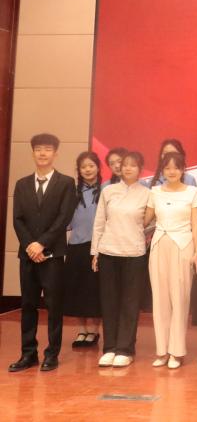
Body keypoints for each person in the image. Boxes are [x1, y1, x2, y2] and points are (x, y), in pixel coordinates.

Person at [9, 133, 76, 373]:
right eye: (38, 149)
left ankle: (51, 354)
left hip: (52, 255)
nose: (43, 153)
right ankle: (28, 354)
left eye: (47, 149)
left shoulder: (66, 183)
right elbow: (18, 219)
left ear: (55, 153)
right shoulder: (22, 184)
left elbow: (64, 217)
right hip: (27, 255)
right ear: (33, 153)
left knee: (53, 305)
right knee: (28, 304)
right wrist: (31, 245)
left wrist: (42, 244)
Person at [90, 151, 150, 368]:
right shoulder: (108, 191)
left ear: (140, 169)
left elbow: (151, 223)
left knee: (130, 303)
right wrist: (95, 252)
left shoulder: (148, 194)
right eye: (124, 165)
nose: (127, 168)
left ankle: (125, 349)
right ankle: (109, 348)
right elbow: (99, 223)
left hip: (134, 254)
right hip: (108, 252)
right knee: (109, 303)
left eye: (133, 165)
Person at [145, 151, 197, 369]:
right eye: (167, 168)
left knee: (180, 299)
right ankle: (162, 350)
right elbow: (144, 220)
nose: (171, 172)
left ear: (183, 169)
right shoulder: (155, 192)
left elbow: (195, 224)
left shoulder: (192, 192)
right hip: (159, 246)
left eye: (176, 167)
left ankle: (177, 352)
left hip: (183, 246)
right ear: (162, 170)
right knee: (159, 300)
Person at [66, 151, 102, 349]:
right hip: (76, 245)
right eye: (83, 167)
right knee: (77, 288)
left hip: (98, 246)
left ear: (98, 167)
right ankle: (82, 330)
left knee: (95, 290)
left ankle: (94, 331)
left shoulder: (106, 189)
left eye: (91, 165)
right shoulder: (72, 192)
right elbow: (67, 221)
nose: (87, 169)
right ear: (79, 170)